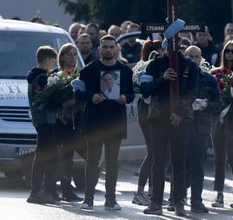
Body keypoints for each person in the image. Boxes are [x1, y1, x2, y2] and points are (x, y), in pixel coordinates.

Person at [74, 35, 134, 211]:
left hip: (115, 121)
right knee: (92, 160)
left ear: (116, 49)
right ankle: (88, 198)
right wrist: (91, 97)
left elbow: (131, 94)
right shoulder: (88, 70)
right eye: (105, 47)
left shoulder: (125, 71)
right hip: (94, 121)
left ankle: (111, 199)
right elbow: (78, 94)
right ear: (99, 49)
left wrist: (125, 97)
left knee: (112, 161)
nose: (108, 50)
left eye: (111, 47)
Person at [140, 40, 200, 216]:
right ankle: (156, 202)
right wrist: (162, 78)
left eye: (173, 46)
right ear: (163, 48)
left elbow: (193, 92)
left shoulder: (189, 65)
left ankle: (178, 200)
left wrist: (179, 113)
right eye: (167, 47)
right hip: (158, 118)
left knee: (179, 162)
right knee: (158, 161)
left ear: (178, 46)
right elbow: (145, 89)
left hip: (180, 120)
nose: (170, 50)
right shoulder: (155, 64)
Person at [184, 45, 223, 213]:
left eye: (196, 56)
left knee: (198, 166)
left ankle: (196, 200)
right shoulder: (179, 78)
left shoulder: (210, 79)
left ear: (201, 59)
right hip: (182, 126)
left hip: (201, 127)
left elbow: (219, 104)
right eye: (190, 56)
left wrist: (206, 105)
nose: (193, 59)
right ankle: (177, 197)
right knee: (180, 164)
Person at [210, 39, 233, 209]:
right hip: (217, 119)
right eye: (227, 51)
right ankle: (219, 194)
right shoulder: (216, 73)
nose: (230, 54)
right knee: (219, 159)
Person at [25, 45, 60, 205]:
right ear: (46, 60)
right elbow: (43, 100)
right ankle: (38, 191)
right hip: (44, 120)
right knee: (45, 156)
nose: (52, 64)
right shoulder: (41, 78)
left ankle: (43, 190)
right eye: (52, 61)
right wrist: (62, 101)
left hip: (42, 120)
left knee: (45, 155)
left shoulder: (35, 76)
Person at [53, 43, 84, 201]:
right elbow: (51, 99)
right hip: (61, 122)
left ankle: (67, 190)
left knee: (69, 157)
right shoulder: (56, 76)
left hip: (75, 121)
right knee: (58, 156)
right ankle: (54, 188)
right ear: (62, 57)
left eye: (74, 54)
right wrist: (60, 111)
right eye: (69, 54)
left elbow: (83, 97)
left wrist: (75, 102)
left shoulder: (79, 75)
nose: (73, 57)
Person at [131, 39, 159, 207]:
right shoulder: (145, 67)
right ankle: (140, 192)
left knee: (157, 153)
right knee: (153, 153)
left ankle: (151, 193)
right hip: (147, 112)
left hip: (153, 112)